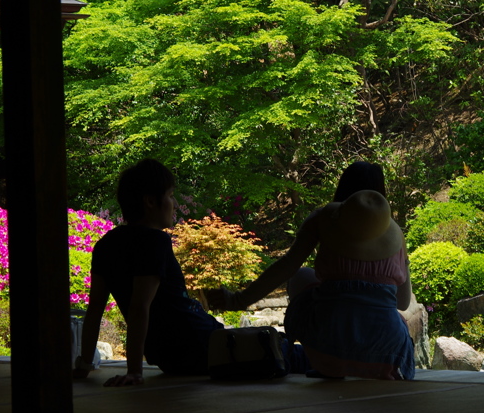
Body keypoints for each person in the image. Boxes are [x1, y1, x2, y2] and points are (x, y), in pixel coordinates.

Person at [207, 162, 415, 380]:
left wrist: (237, 300)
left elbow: (287, 266)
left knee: (301, 275)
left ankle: (330, 365)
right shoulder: (395, 235)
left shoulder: (323, 218)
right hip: (390, 356)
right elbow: (402, 302)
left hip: (329, 350)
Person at [73, 159, 223, 387]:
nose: (173, 203)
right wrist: (134, 371)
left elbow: (94, 310)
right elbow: (139, 306)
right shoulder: (155, 242)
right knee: (280, 351)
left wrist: (84, 365)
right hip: (201, 343)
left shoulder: (105, 245)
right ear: (151, 201)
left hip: (168, 357)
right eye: (171, 195)